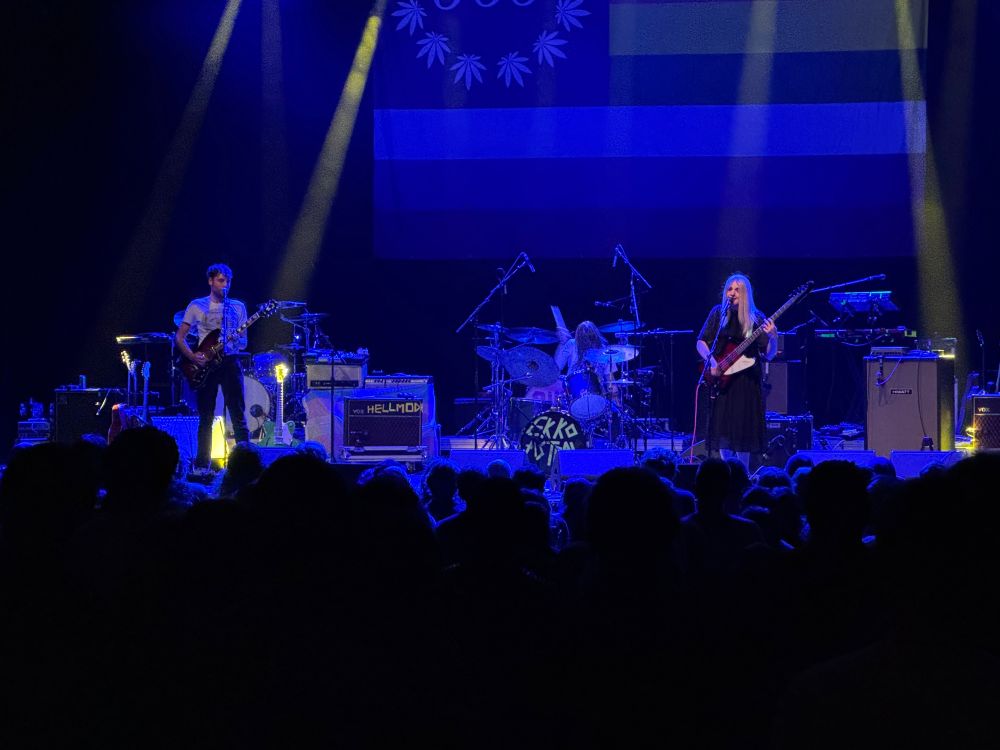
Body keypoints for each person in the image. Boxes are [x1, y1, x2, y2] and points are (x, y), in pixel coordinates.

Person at [695, 274, 777, 466]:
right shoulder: (718, 313)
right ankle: (726, 472)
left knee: (743, 428)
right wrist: (713, 362)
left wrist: (774, 337)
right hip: (722, 379)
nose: (732, 293)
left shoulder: (756, 318)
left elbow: (770, 354)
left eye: (737, 289)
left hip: (746, 381)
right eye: (729, 289)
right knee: (723, 427)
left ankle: (742, 474)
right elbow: (701, 342)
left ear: (746, 293)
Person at [175, 263, 250, 474]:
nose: (225, 285)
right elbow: (179, 338)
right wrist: (192, 356)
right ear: (210, 281)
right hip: (205, 365)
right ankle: (201, 465)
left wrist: (232, 342)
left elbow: (244, 341)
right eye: (220, 280)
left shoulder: (238, 307)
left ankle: (245, 463)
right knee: (206, 416)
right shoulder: (197, 305)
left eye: (228, 281)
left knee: (238, 413)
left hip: (230, 362)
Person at [555, 320, 619, 413]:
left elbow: (610, 379)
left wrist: (616, 399)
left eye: (589, 337)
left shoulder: (604, 350)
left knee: (615, 414)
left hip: (598, 396)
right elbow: (557, 366)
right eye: (584, 337)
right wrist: (562, 343)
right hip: (574, 394)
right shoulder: (572, 344)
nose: (587, 340)